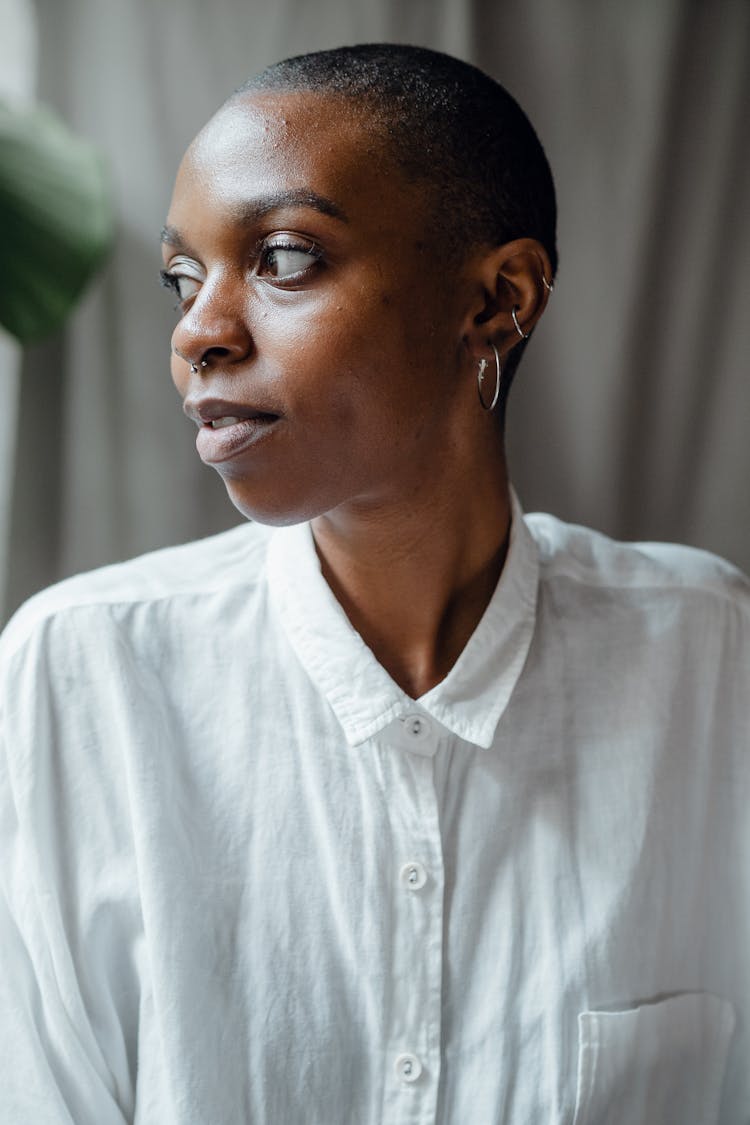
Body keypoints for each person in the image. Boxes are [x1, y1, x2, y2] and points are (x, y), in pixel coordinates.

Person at [0, 42, 748, 1125]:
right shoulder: (81, 676)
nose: (198, 333)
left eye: (286, 258)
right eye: (182, 278)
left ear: (498, 300)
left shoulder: (712, 659)